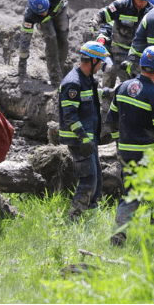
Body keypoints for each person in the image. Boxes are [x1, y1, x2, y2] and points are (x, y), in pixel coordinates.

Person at [106, 46, 154, 247]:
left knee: (129, 195)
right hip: (149, 157)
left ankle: (118, 237)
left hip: (126, 154)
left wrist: (120, 144)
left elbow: (111, 120)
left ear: (142, 65)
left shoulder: (123, 87)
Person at [17, 0, 104, 84]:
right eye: (41, 12)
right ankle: (55, 77)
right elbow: (24, 40)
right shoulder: (29, 17)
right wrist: (22, 65)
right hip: (46, 22)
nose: (44, 12)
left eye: (45, 9)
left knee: (63, 39)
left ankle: (61, 69)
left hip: (60, 10)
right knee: (51, 40)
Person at [58, 41, 110, 222]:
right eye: (101, 62)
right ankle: (74, 218)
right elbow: (69, 116)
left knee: (97, 180)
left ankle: (91, 219)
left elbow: (92, 97)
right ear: (93, 60)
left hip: (89, 137)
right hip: (79, 139)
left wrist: (110, 92)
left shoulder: (87, 79)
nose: (102, 66)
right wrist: (83, 138)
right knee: (88, 180)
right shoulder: (72, 83)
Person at [92, 0, 154, 89]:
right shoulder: (121, 6)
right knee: (111, 70)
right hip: (119, 51)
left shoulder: (152, 11)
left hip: (138, 53)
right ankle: (107, 98)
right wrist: (93, 24)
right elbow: (102, 15)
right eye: (140, 0)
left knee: (138, 79)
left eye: (146, 0)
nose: (143, 3)